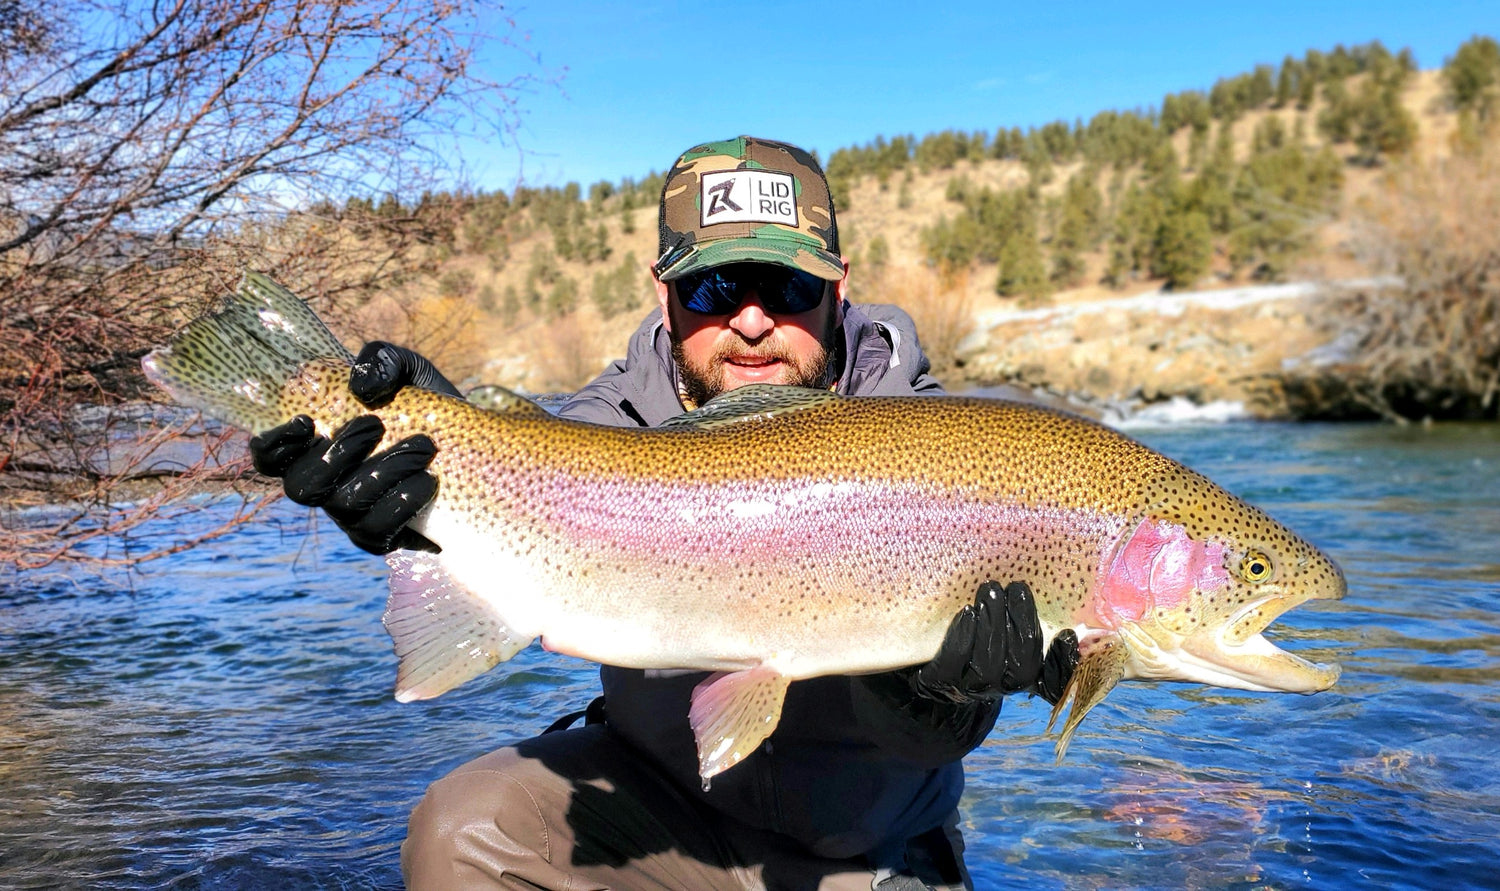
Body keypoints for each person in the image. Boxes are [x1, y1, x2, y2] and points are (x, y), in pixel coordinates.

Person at [249, 136, 1079, 890]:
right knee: (463, 830)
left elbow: (939, 738)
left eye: (787, 286)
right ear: (662, 291)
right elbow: (519, 465)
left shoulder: (949, 442)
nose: (752, 323)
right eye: (713, 286)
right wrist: (422, 462)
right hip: (659, 810)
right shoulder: (607, 421)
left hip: (870, 846)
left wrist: (934, 693)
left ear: (838, 286)